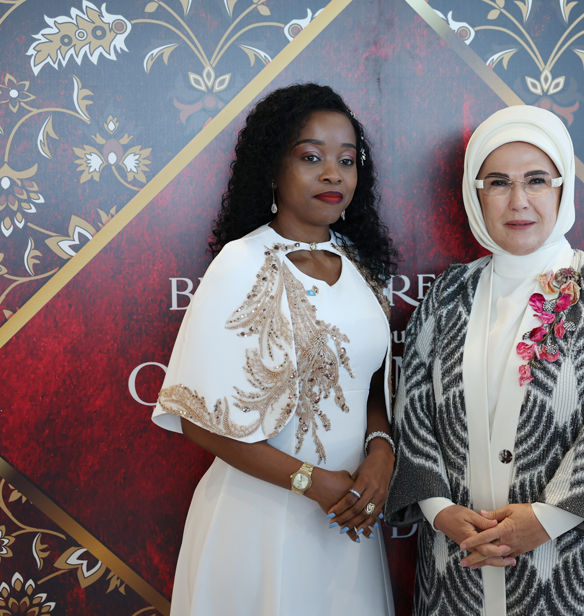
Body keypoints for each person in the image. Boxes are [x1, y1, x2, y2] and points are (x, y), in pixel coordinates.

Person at [386, 105, 584, 615]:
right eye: (498, 183)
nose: (518, 201)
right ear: (476, 194)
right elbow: (413, 409)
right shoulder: (449, 294)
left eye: (536, 180)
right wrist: (439, 510)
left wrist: (546, 519)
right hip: (459, 564)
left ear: (563, 188)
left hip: (580, 570)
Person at [152, 83, 397, 616]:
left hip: (349, 516)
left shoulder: (360, 265)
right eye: (311, 157)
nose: (333, 174)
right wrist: (310, 482)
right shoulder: (241, 262)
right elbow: (196, 419)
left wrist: (381, 452)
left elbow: (370, 384)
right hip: (260, 519)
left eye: (347, 160)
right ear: (272, 167)